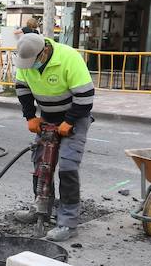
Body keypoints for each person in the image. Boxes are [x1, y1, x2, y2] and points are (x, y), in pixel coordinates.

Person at [11, 31, 95, 242]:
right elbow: (22, 89)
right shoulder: (26, 63)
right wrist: (30, 116)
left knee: (67, 166)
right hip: (47, 116)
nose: (29, 67)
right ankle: (41, 207)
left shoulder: (69, 58)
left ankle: (68, 222)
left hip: (75, 115)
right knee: (41, 163)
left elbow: (85, 96)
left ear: (44, 52)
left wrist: (70, 121)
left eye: (33, 63)